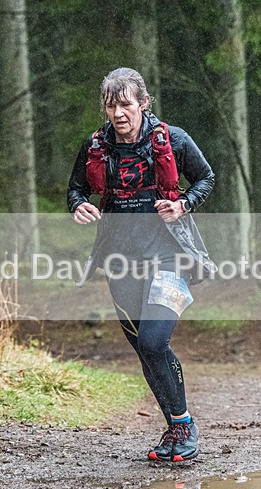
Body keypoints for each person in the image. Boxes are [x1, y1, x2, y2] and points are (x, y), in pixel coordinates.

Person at [67, 67, 216, 462]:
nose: (119, 113)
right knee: (143, 348)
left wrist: (183, 204)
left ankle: (184, 425)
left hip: (169, 255)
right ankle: (175, 428)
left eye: (126, 104)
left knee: (154, 341)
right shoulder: (96, 144)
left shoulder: (172, 138)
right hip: (120, 260)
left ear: (143, 103)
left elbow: (206, 177)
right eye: (111, 105)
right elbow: (76, 189)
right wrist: (78, 205)